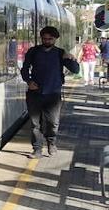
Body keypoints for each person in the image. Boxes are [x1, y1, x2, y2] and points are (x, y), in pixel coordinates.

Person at [19, 26, 79, 157]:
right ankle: (37, 149)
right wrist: (29, 81)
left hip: (53, 94)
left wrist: (70, 58)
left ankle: (51, 142)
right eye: (44, 38)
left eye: (50, 39)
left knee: (53, 123)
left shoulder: (60, 53)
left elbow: (76, 70)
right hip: (35, 94)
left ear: (55, 39)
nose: (46, 41)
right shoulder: (33, 51)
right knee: (35, 124)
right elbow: (24, 69)